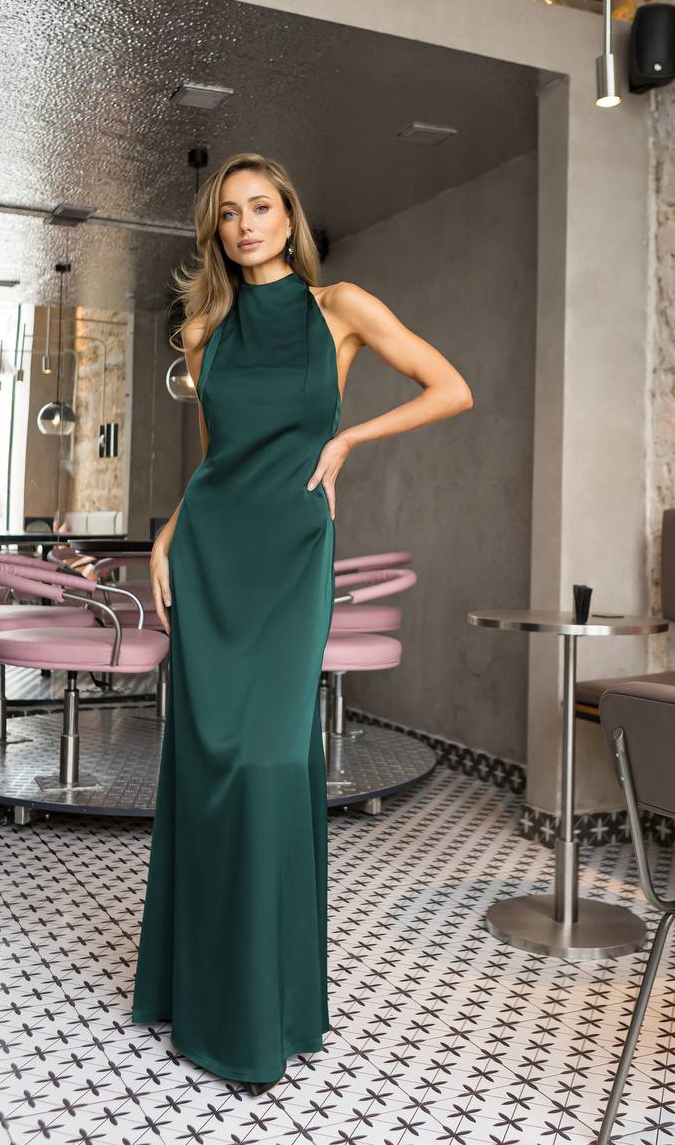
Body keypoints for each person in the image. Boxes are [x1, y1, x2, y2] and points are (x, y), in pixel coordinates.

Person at [131, 152, 473, 1094]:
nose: (246, 225)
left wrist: (349, 438)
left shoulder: (340, 309)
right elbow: (214, 459)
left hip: (291, 556)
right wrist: (166, 537)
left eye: (261, 208)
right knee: (205, 760)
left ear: (289, 218)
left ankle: (266, 1002)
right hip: (211, 553)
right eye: (229, 213)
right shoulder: (204, 327)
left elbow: (450, 387)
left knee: (268, 759)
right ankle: (198, 993)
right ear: (219, 231)